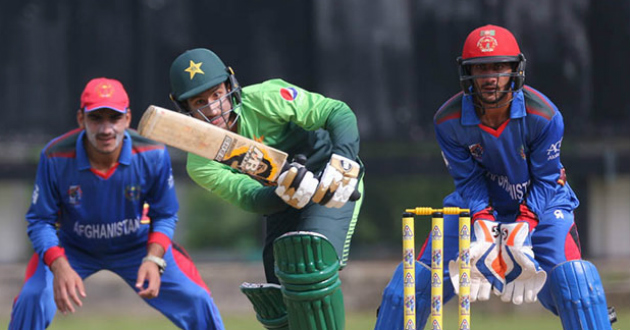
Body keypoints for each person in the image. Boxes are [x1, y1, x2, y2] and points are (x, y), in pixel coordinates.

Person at [374, 24, 615, 330]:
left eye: (499, 67)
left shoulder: (544, 115)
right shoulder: (448, 121)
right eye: (481, 68)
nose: (490, 77)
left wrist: (523, 226)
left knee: (577, 285)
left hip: (542, 207)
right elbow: (468, 181)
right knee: (410, 285)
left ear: (515, 69)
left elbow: (545, 179)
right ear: (467, 73)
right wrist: (485, 221)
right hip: (477, 209)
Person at [168, 48, 364, 330]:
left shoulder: (266, 97)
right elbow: (249, 197)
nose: (212, 109)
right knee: (278, 294)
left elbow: (337, 112)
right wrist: (283, 192)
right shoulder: (199, 161)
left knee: (309, 261)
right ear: (183, 107)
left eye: (216, 95)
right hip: (281, 200)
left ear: (231, 86)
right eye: (200, 101)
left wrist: (343, 160)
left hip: (331, 182)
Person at [8, 77, 225, 330]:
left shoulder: (152, 153)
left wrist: (154, 260)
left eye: (114, 118)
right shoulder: (55, 155)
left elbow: (164, 215)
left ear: (128, 118)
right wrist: (59, 265)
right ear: (81, 119)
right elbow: (40, 220)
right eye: (96, 118)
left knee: (197, 299)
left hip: (136, 245)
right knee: (32, 298)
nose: (106, 129)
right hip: (72, 248)